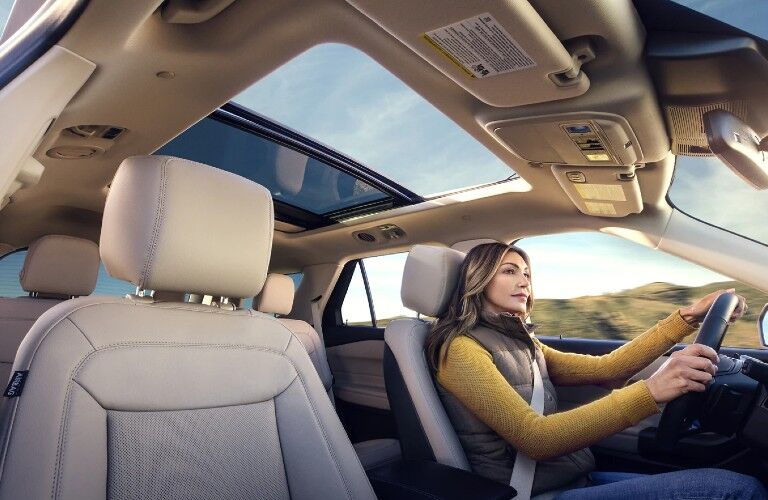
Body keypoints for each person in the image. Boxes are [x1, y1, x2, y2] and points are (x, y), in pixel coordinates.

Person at [426, 242, 767, 499]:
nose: (524, 282)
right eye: (510, 271)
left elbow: (609, 370)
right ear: (479, 278)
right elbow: (537, 439)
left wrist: (687, 318)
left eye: (527, 274)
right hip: (532, 492)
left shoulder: (522, 344)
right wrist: (652, 391)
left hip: (571, 479)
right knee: (735, 490)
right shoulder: (459, 349)